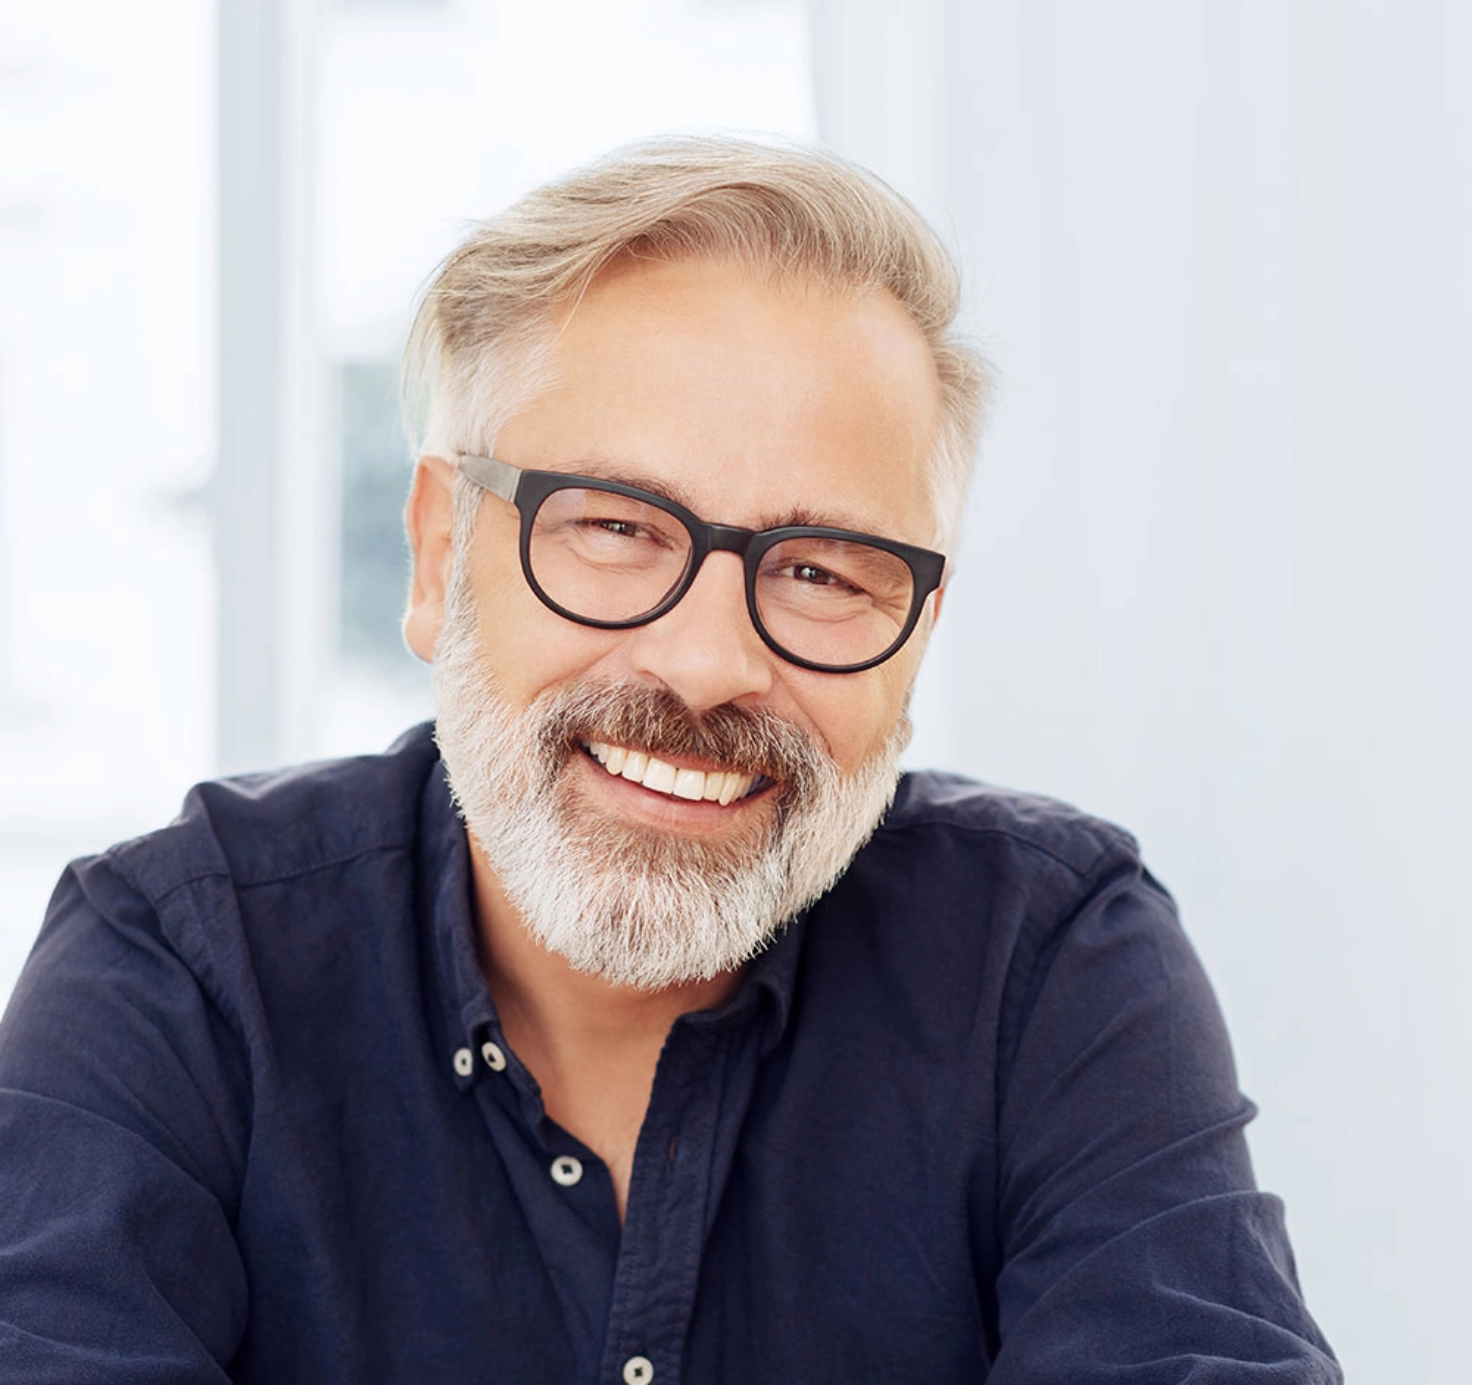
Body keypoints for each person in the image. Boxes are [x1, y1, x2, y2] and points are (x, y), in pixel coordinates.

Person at [0, 137, 1340, 1383]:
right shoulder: (177, 967)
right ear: (438, 554)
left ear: (914, 646)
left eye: (819, 571)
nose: (705, 665)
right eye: (619, 529)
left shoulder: (1047, 963)